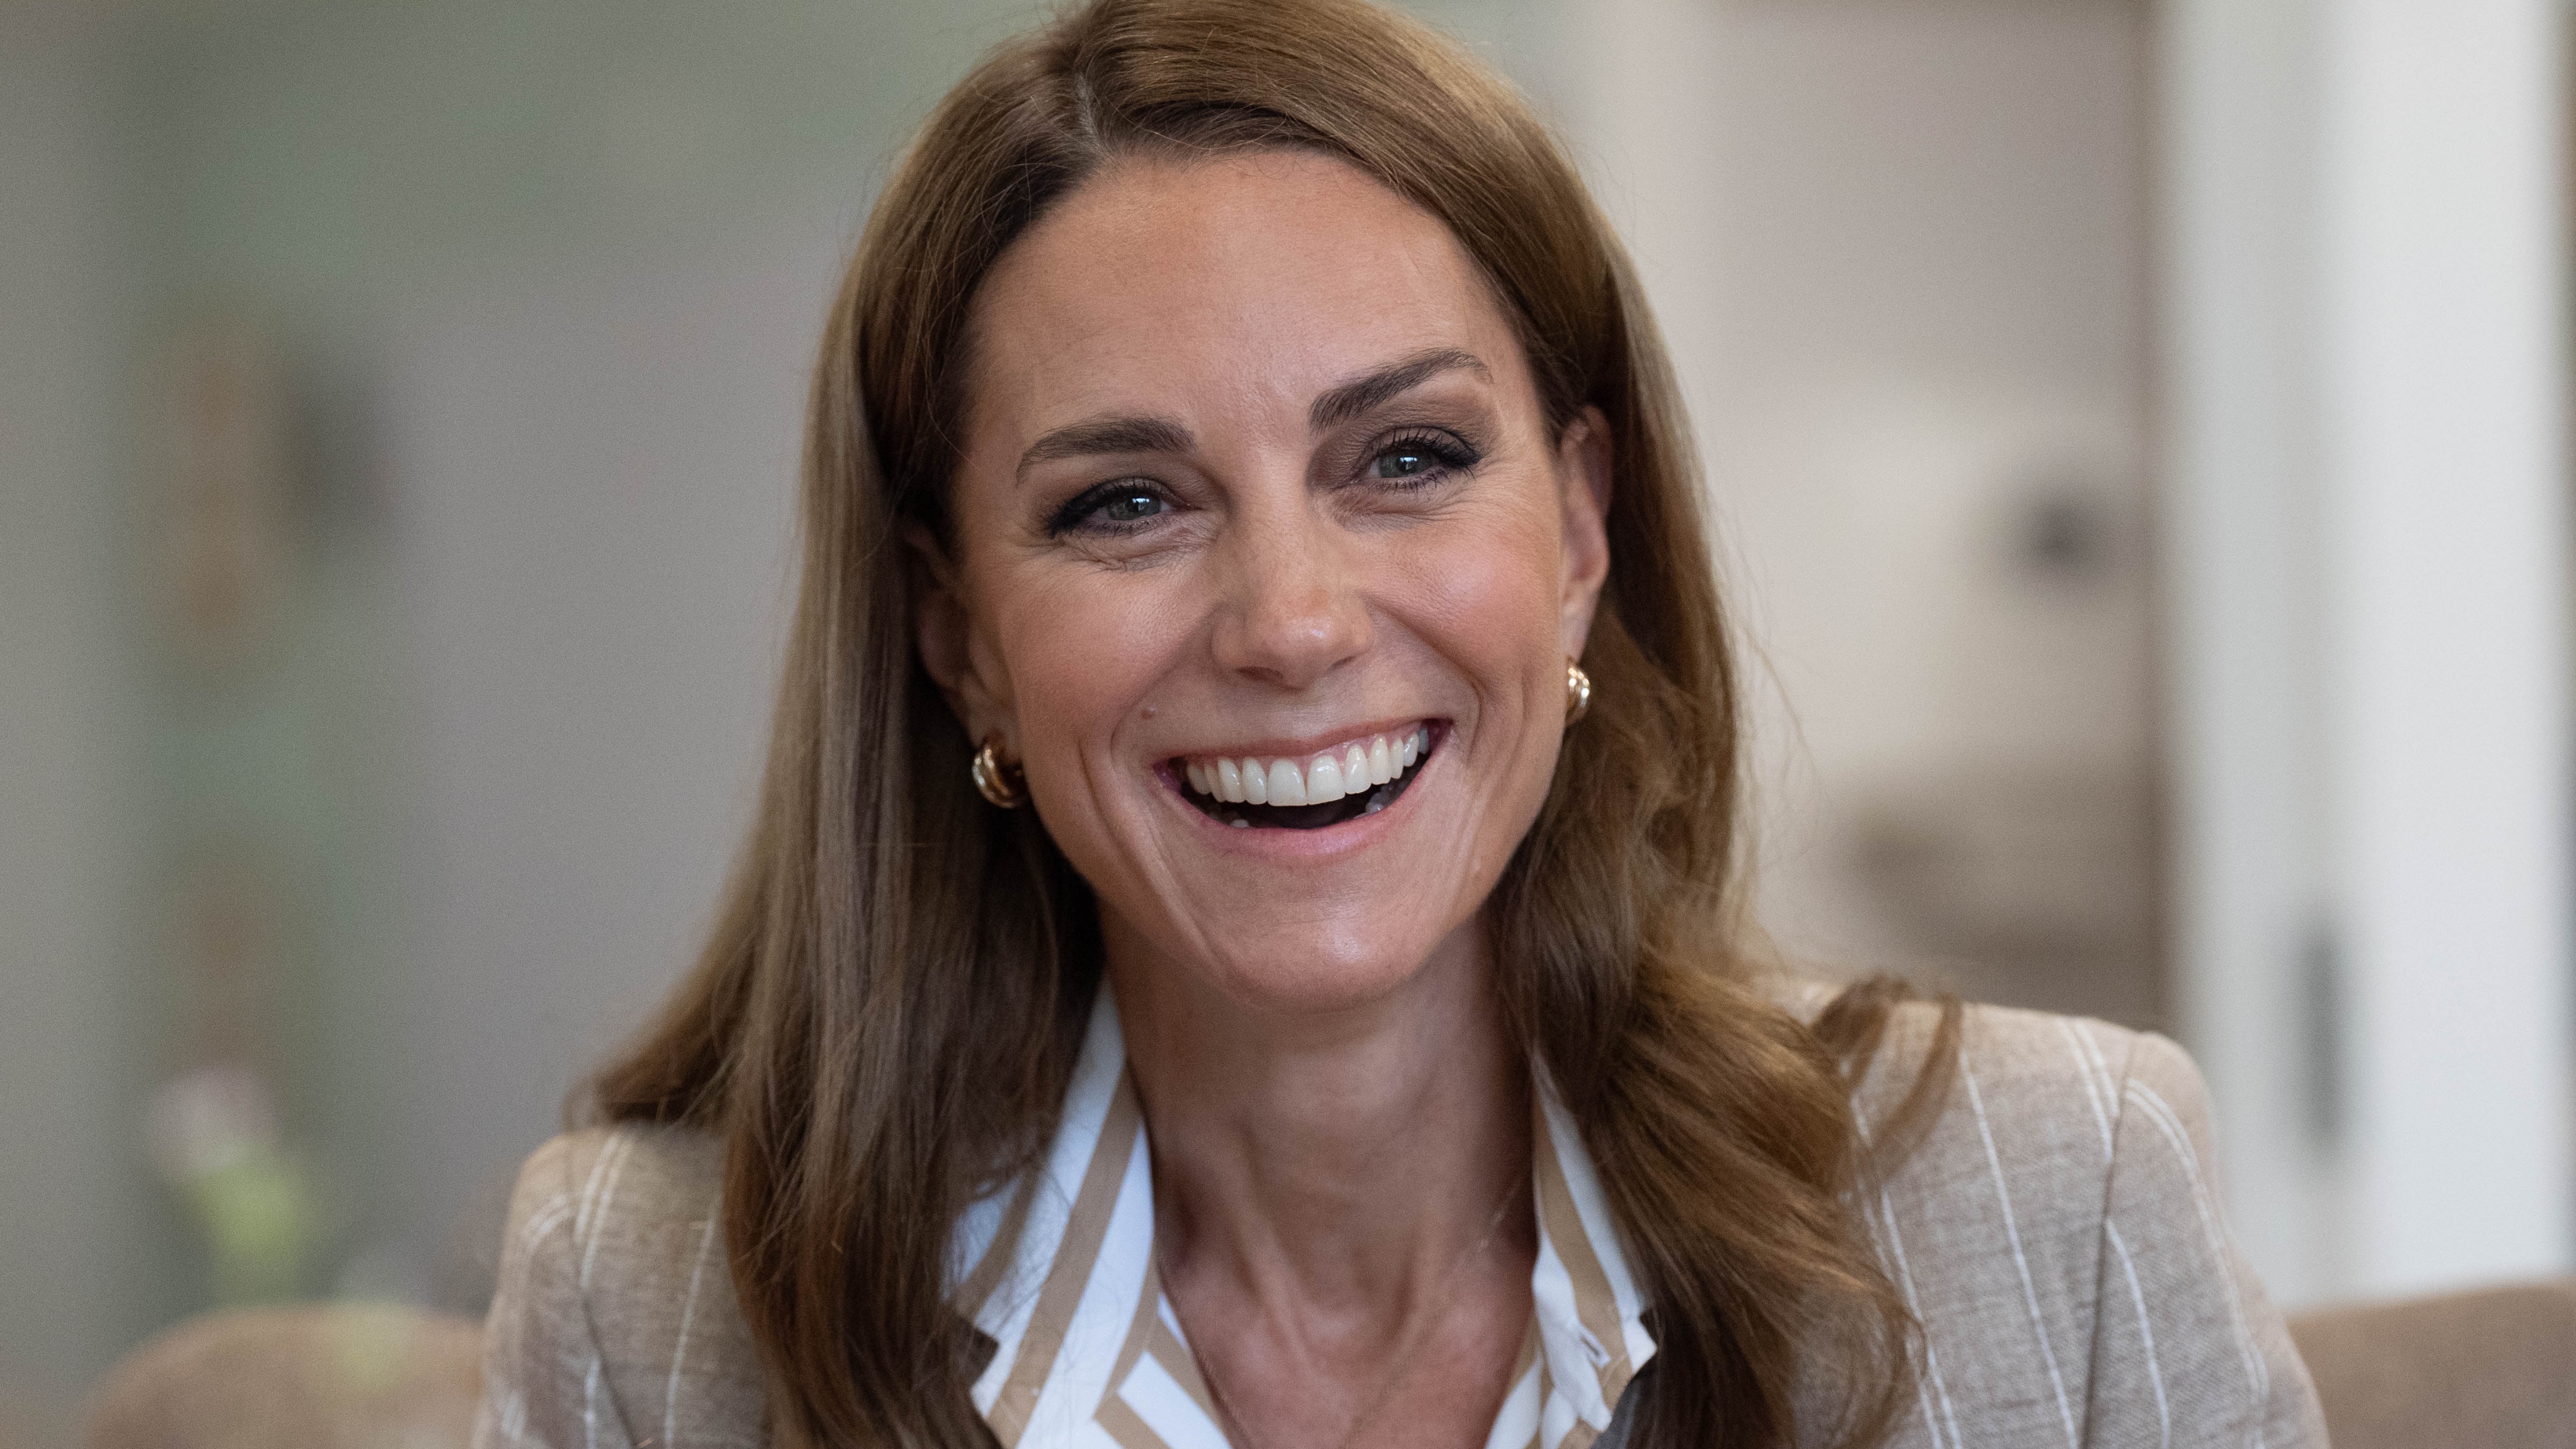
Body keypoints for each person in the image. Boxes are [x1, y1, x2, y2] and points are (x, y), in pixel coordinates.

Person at [470, 1, 2325, 1446]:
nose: (1291, 622)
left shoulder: (2055, 1198)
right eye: (1126, 501)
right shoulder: (648, 1310)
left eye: (1409, 459)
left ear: (1584, 527)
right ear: (959, 638)